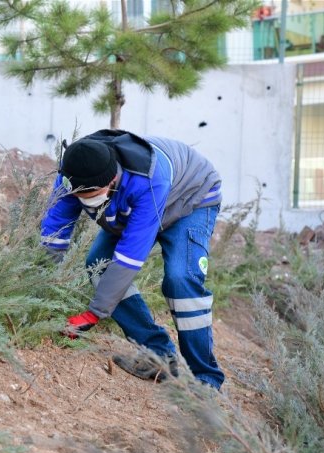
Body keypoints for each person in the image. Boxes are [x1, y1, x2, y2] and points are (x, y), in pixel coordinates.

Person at [40, 129, 224, 389]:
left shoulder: (148, 180)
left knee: (180, 280)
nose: (86, 201)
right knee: (99, 267)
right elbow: (54, 233)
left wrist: (95, 313)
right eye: (81, 196)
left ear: (112, 178)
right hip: (135, 205)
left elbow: (128, 258)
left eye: (93, 194)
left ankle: (206, 378)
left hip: (190, 199)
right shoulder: (73, 174)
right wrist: (41, 289)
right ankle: (159, 356)